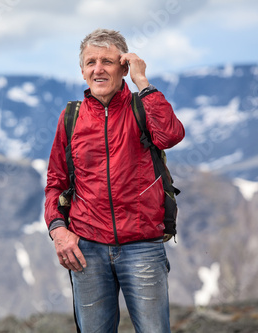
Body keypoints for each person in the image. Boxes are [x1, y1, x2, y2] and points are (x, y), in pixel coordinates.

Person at [44, 28, 185, 332]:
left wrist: (143, 82)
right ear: (82, 71)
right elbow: (55, 181)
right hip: (87, 248)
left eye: (107, 61)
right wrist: (58, 230)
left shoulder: (141, 106)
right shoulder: (70, 117)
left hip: (142, 246)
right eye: (90, 62)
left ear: (123, 66)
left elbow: (171, 135)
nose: (98, 69)